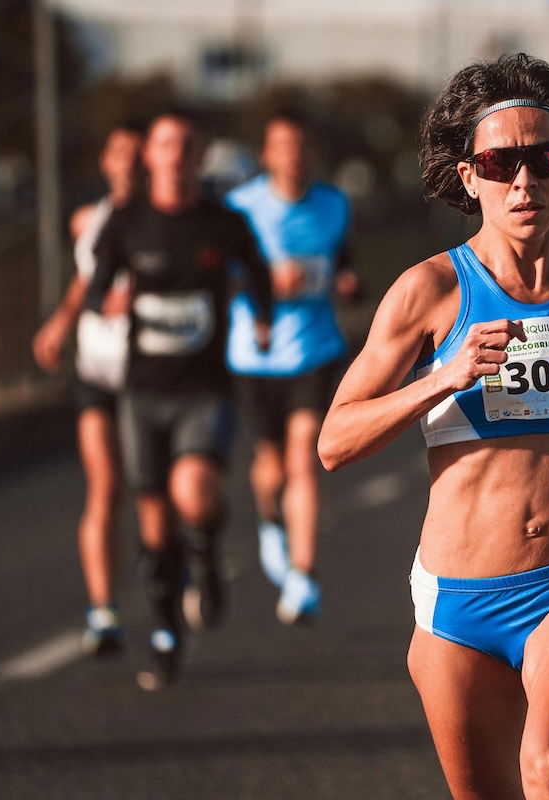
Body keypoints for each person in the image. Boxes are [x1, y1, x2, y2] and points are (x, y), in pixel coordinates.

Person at [318, 53, 549, 798]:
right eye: (500, 162)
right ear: (469, 176)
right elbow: (334, 441)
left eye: (543, 159)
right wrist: (440, 379)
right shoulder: (430, 291)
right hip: (458, 601)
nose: (524, 182)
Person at [83, 109, 273, 690]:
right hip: (142, 394)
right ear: (150, 156)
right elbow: (96, 284)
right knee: (155, 529)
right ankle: (165, 633)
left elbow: (257, 271)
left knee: (193, 491)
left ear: (198, 155)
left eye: (186, 145)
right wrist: (104, 302)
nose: (174, 155)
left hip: (204, 390)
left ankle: (208, 556)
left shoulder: (223, 221)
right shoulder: (126, 221)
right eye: (164, 144)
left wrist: (262, 315)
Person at [225, 111, 360, 624]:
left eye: (300, 145)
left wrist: (348, 282)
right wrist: (261, 286)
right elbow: (219, 277)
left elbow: (346, 264)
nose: (292, 155)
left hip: (314, 349)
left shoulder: (334, 204)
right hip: (254, 355)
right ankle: (268, 524)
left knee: (304, 459)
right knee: (270, 465)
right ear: (266, 154)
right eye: (281, 146)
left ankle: (303, 575)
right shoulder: (240, 207)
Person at [32, 124, 142, 656]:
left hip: (153, 375)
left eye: (136, 154)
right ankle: (103, 608)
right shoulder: (87, 220)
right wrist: (59, 322)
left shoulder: (164, 221)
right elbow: (84, 277)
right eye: (118, 152)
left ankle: (171, 571)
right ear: (105, 161)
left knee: (155, 491)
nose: (127, 163)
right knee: (104, 487)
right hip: (97, 370)